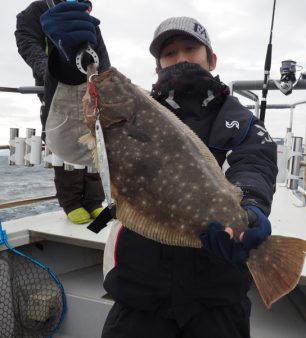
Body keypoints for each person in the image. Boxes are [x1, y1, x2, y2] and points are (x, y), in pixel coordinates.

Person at [41, 7, 278, 337]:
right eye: (169, 52)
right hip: (139, 293)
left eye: (190, 48)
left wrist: (250, 209)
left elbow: (255, 165)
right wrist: (68, 74)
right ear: (157, 66)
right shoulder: (137, 111)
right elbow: (68, 146)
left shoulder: (241, 122)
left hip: (219, 296)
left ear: (212, 59)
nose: (180, 57)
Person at [15, 0, 110, 224]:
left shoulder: (85, 13)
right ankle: (72, 203)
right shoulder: (36, 10)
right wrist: (49, 71)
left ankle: (95, 201)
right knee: (63, 140)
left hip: (90, 89)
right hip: (56, 90)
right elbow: (27, 43)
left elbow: (101, 52)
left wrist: (105, 80)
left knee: (95, 141)